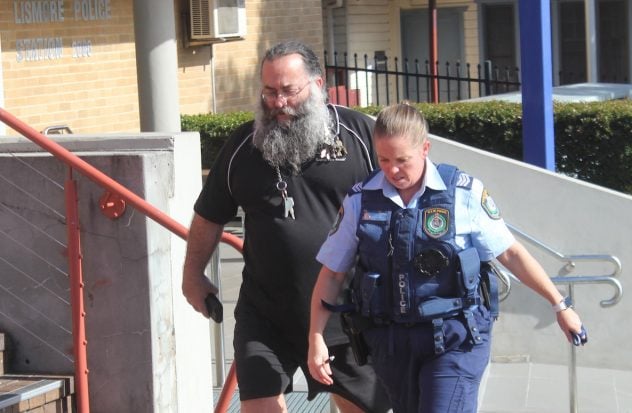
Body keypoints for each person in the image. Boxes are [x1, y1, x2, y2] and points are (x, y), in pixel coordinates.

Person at [307, 102, 588, 413]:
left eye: (402, 160)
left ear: (425, 148)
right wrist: (315, 336)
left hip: (456, 337)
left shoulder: (462, 193)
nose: (392, 170)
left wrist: (559, 304)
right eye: (383, 159)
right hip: (391, 344)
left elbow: (509, 252)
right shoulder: (362, 199)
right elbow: (332, 273)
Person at [182, 40, 391, 413]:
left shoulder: (360, 135)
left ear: (317, 84)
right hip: (267, 314)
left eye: (288, 91)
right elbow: (209, 215)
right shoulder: (244, 146)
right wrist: (192, 274)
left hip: (346, 316)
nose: (278, 102)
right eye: (269, 91)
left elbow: (402, 206)